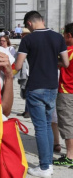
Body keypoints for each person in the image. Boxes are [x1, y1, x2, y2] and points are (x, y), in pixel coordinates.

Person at [15, 10, 69, 177]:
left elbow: (18, 65)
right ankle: (48, 164)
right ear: (42, 20)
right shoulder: (58, 37)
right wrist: (53, 61)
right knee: (46, 125)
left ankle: (44, 166)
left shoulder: (28, 39)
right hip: (52, 86)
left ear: (29, 23)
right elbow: (65, 63)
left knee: (40, 127)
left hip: (36, 87)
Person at [53, 22, 73, 167]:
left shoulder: (69, 51)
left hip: (67, 91)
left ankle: (70, 156)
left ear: (69, 35)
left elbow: (58, 63)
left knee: (67, 124)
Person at [16, 28, 31, 118]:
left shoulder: (29, 43)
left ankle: (28, 111)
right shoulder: (24, 42)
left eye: (23, 34)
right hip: (25, 71)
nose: (22, 36)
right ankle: (26, 110)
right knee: (25, 91)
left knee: (28, 92)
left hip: (29, 71)